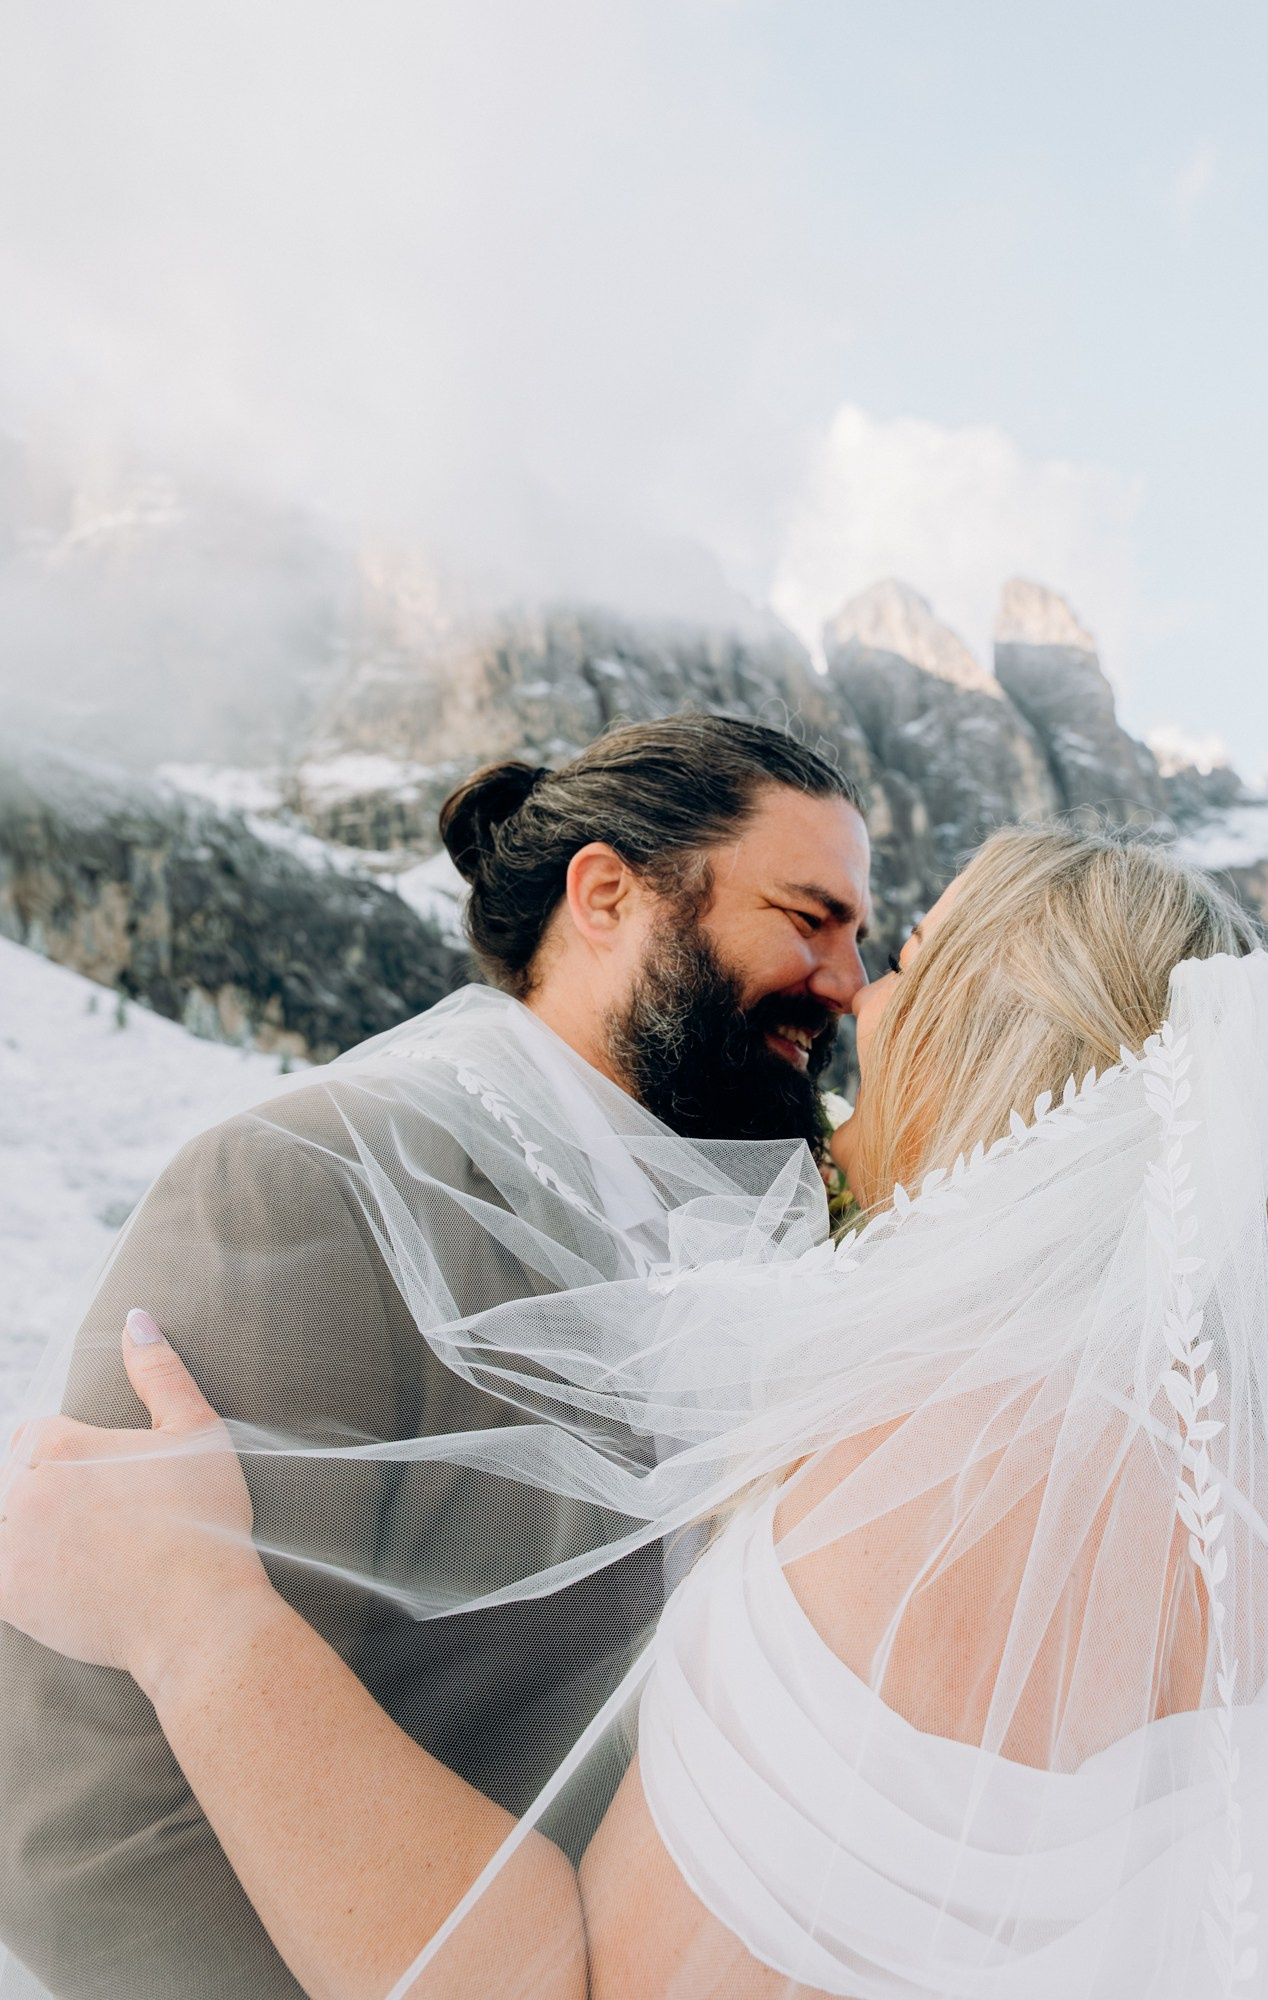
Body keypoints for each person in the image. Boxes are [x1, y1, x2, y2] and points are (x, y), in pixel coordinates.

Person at [0, 827, 1268, 2000]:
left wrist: (197, 1614)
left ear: (987, 1047)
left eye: (910, 964)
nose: (863, 1002)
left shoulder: (942, 1479)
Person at [0, 714, 872, 2000]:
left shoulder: (754, 1242)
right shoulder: (298, 1185)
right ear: (607, 895)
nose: (847, 979)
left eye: (859, 935)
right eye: (810, 917)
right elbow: (86, 1808)